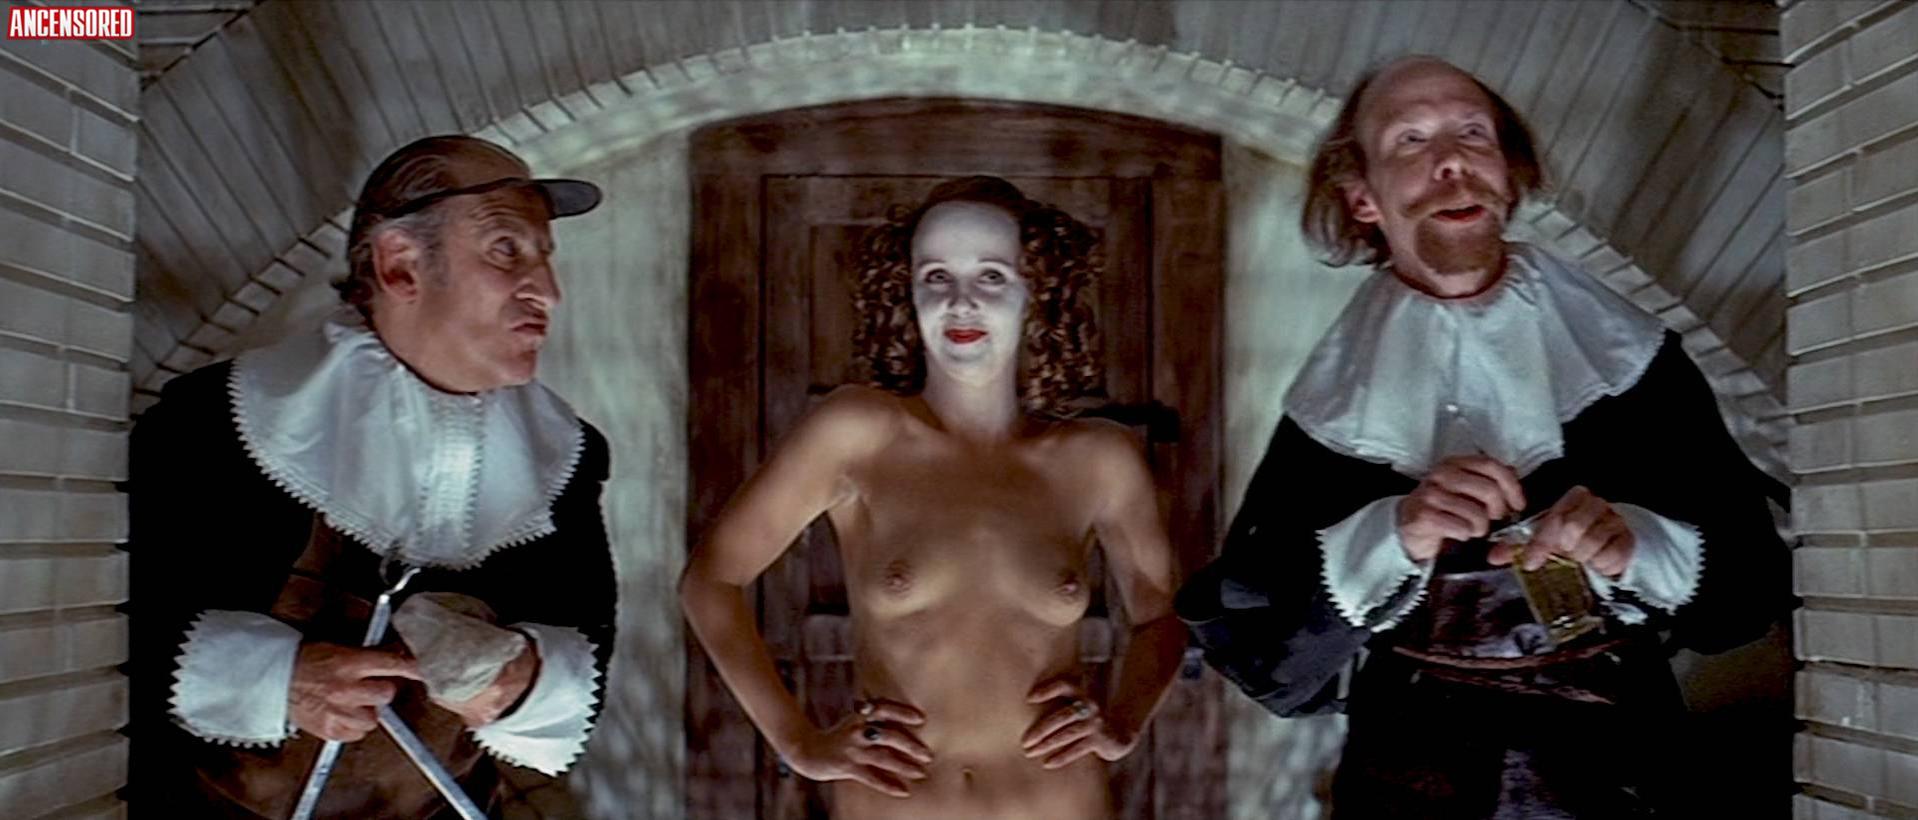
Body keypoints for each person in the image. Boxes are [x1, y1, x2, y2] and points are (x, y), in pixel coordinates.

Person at [1176, 56, 1790, 817]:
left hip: (1615, 766)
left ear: (1508, 175)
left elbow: (1744, 601)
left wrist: (1635, 544)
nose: (1451, 161)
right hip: (1407, 777)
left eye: (1473, 133)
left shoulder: (1630, 359)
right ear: (1364, 197)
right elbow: (1275, 666)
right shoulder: (1333, 405)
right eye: (1410, 140)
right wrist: (1392, 534)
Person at [128, 135, 617, 818]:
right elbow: (114, 628)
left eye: (545, 256)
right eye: (507, 249)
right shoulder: (215, 420)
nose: (549, 292)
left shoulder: (566, 455)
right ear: (400, 266)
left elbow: (586, 638)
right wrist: (280, 679)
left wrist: (524, 680)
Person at [680, 176, 1186, 819]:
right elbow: (710, 581)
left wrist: (1125, 720)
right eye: (936, 276)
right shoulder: (856, 432)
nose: (960, 302)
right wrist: (798, 741)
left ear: (1038, 290)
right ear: (907, 291)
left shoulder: (1098, 459)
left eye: (991, 277)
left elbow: (1163, 615)